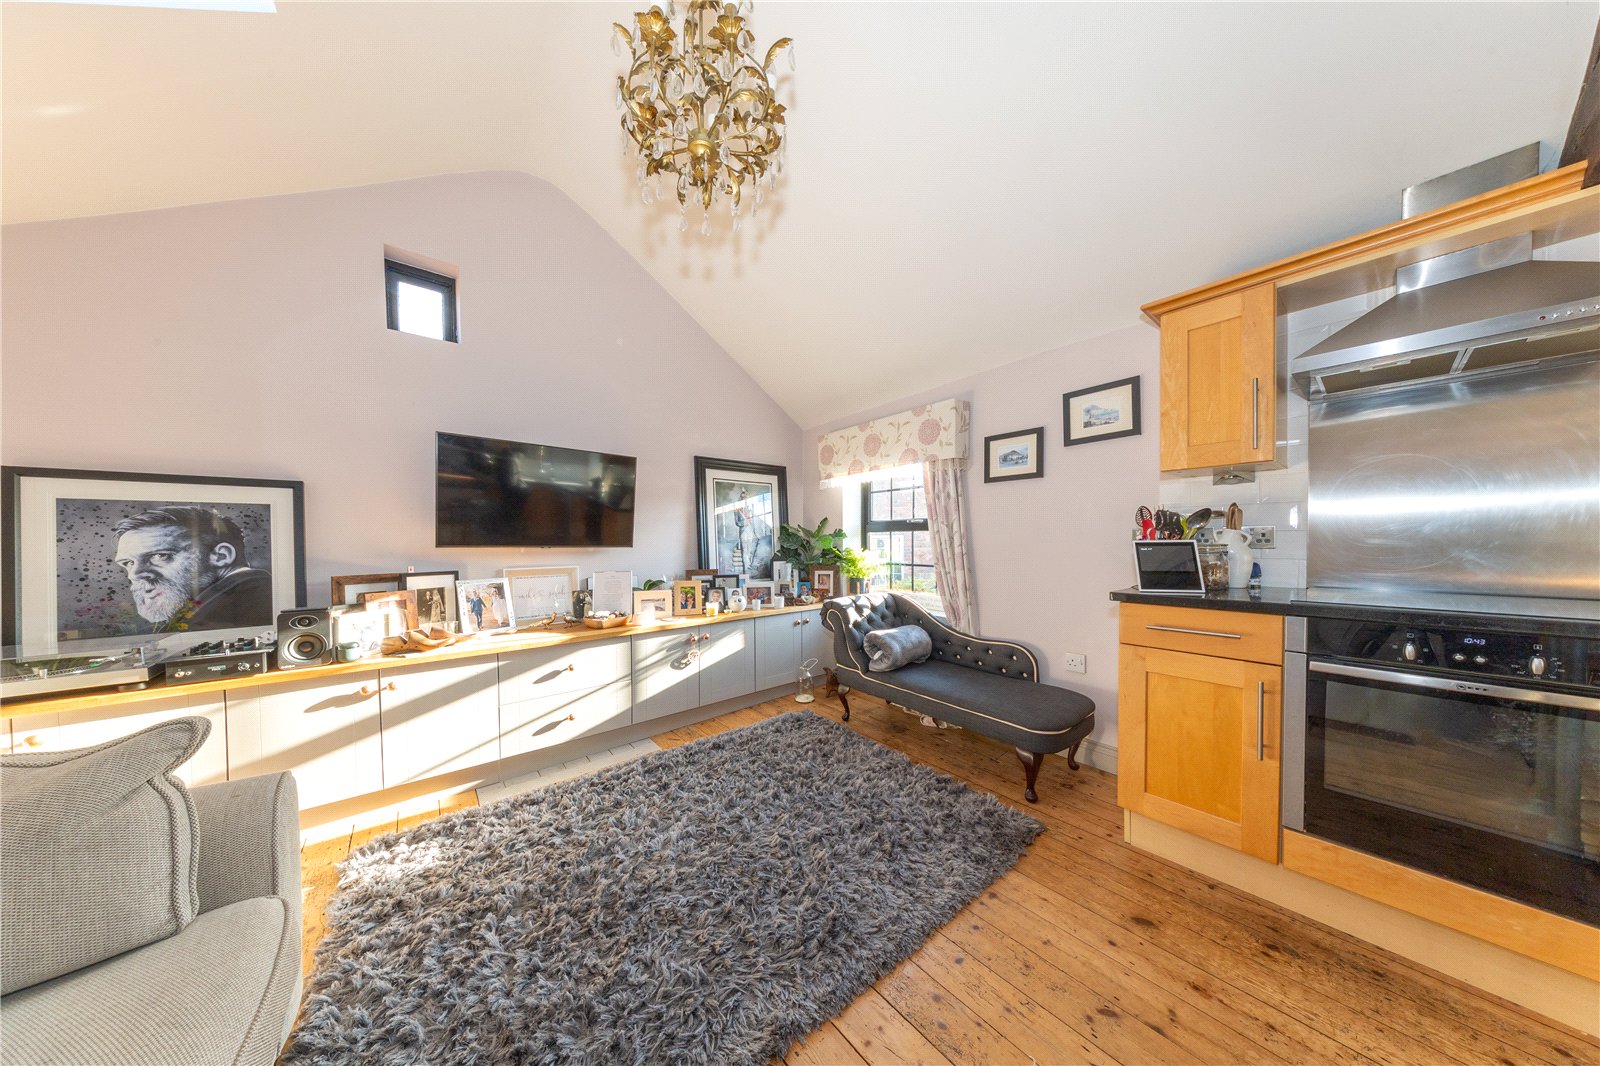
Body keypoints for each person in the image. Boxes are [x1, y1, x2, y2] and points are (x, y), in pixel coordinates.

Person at [111, 506, 273, 633]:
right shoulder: (206, 609)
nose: (135, 574)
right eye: (128, 563)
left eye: (160, 556)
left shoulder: (216, 616)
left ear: (221, 556)